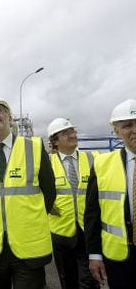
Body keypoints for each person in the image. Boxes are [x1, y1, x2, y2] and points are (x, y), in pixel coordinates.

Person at [0, 95, 56, 289]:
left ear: (10, 119)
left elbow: (49, 193)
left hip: (28, 248)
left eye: (0, 109)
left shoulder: (33, 147)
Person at [84, 99, 136, 289]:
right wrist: (94, 255)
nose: (134, 130)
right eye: (127, 125)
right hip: (118, 257)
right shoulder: (101, 164)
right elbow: (92, 213)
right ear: (116, 131)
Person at [47, 118, 99, 289]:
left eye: (73, 131)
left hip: (88, 229)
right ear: (55, 141)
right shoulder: (46, 163)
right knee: (67, 279)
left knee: (90, 279)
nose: (72, 135)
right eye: (66, 133)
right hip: (61, 231)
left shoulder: (93, 158)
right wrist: (47, 204)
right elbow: (35, 190)